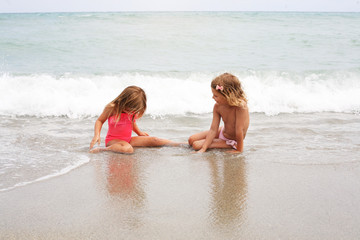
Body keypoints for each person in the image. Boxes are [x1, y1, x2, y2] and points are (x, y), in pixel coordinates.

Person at [90, 86, 179, 154]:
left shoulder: (132, 111)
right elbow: (100, 121)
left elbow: (132, 123)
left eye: (133, 110)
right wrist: (97, 135)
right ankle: (103, 149)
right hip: (113, 141)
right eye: (129, 109)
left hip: (128, 140)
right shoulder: (112, 108)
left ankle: (182, 144)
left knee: (154, 140)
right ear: (123, 101)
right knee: (128, 149)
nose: (131, 112)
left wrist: (139, 133)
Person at [188, 73, 249, 153]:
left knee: (196, 145)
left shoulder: (240, 107)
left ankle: (229, 145)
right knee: (191, 139)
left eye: (216, 96)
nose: (213, 97)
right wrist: (203, 148)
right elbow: (213, 129)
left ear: (228, 95)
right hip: (223, 132)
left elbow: (239, 131)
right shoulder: (217, 106)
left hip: (233, 140)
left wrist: (239, 150)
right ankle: (173, 144)